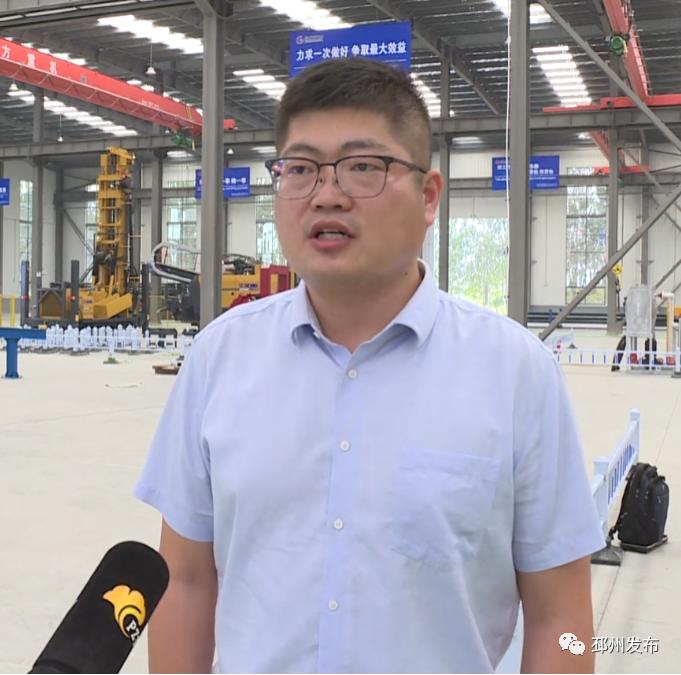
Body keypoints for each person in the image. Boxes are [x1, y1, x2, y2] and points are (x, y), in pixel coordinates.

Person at [135, 58, 605, 673]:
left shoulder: (516, 373)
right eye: (300, 169)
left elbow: (560, 618)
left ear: (428, 196)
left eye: (363, 167)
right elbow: (186, 580)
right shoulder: (219, 358)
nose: (327, 194)